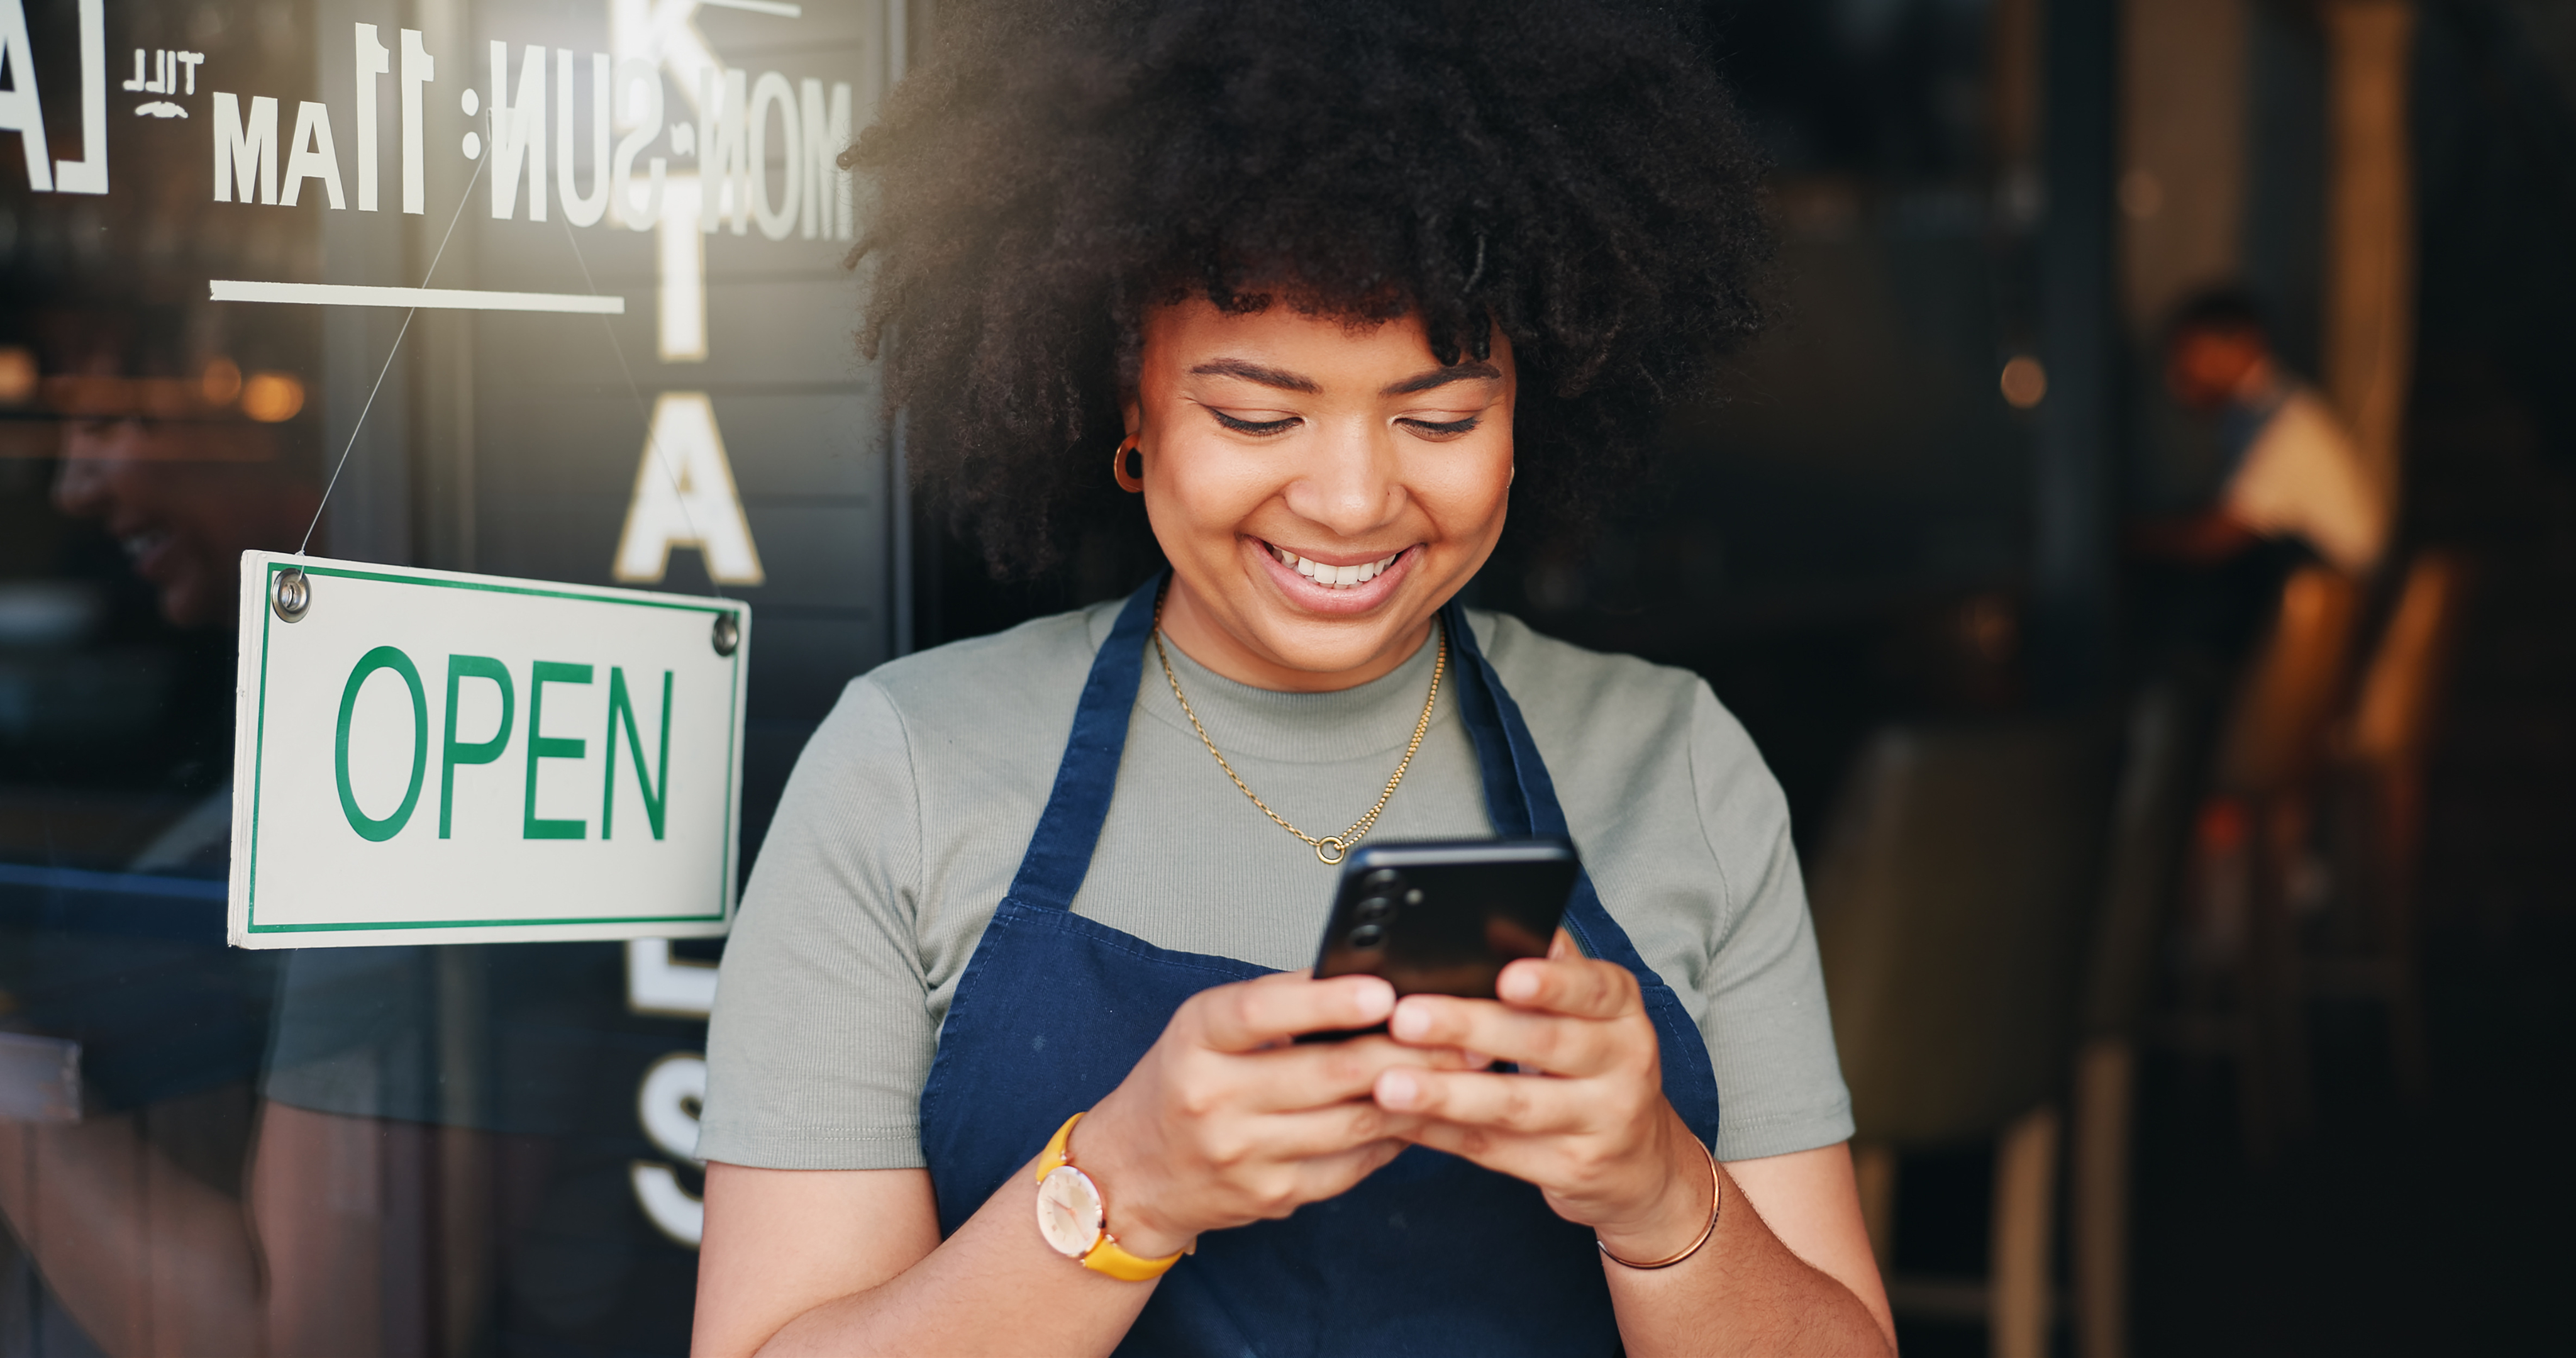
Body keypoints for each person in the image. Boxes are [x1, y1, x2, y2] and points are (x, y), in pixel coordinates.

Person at [692, 3, 1892, 1355]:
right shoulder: (904, 769)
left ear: (1527, 411)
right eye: (1256, 413)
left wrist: (1660, 1189)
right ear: (1123, 404)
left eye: (1436, 415)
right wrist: (1119, 1185)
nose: (1349, 496)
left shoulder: (1669, 760)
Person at [2135, 287, 2392, 582]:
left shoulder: (2284, 424)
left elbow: (2216, 539)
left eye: (2189, 354)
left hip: (2342, 598)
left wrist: (2126, 539)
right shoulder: (2252, 414)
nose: (2175, 376)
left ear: (2245, 346)